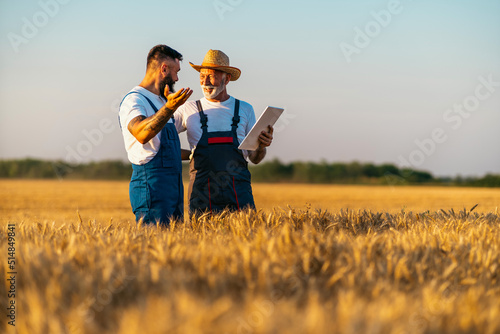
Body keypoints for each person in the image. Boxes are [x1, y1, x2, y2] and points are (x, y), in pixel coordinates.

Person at [174, 49, 273, 214]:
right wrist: (187, 154)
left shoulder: (245, 109)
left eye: (211, 76)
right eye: (202, 76)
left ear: (227, 79)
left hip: (238, 193)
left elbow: (255, 158)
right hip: (202, 194)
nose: (205, 82)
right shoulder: (188, 109)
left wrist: (262, 146)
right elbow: (160, 139)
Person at [118, 44, 193, 225]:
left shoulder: (161, 102)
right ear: (164, 69)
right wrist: (169, 108)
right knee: (152, 246)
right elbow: (141, 134)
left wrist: (196, 154)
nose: (176, 78)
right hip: (151, 186)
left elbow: (166, 148)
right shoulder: (134, 100)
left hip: (174, 187)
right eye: (176, 72)